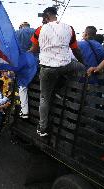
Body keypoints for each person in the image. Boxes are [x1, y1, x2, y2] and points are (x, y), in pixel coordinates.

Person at [29, 7, 85, 137]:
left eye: (43, 19)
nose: (43, 21)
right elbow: (76, 50)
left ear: (47, 17)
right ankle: (69, 86)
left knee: (44, 98)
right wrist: (84, 64)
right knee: (81, 69)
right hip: (66, 65)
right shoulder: (69, 28)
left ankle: (42, 128)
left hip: (47, 68)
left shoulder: (39, 30)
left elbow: (34, 49)